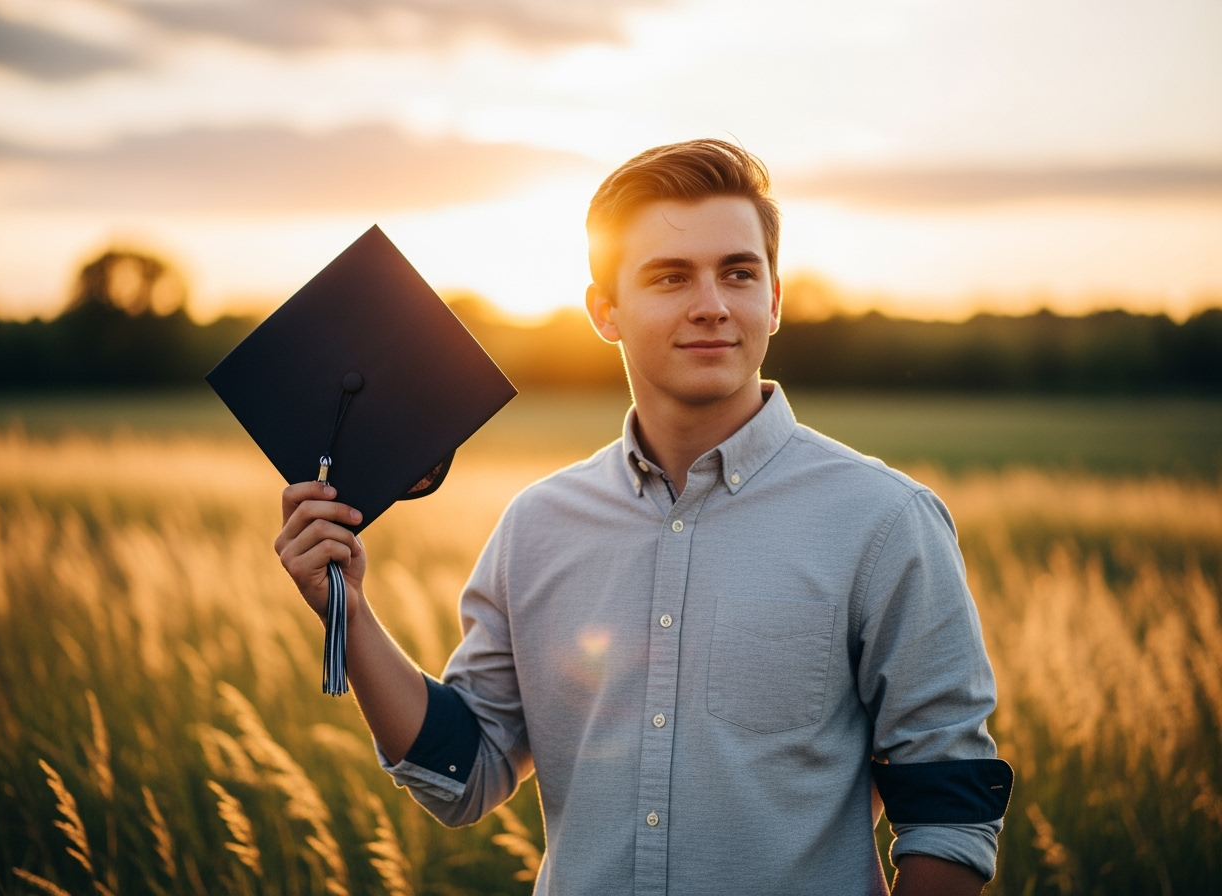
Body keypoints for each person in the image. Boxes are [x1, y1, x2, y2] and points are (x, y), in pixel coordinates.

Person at [275, 139, 1010, 895]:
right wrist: (351, 615)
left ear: (776, 299)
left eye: (738, 272)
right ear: (605, 311)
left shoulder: (885, 522)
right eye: (670, 277)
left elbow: (949, 812)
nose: (712, 304)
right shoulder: (538, 526)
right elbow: (468, 771)